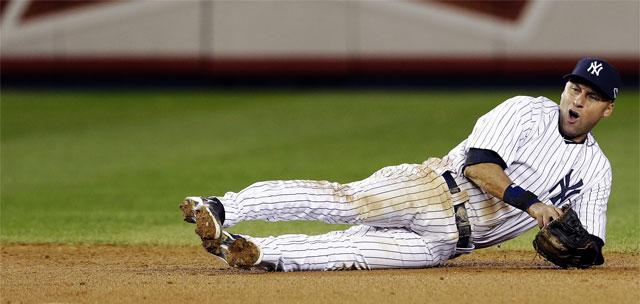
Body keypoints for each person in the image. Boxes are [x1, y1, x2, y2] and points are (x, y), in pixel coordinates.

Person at [180, 57, 621, 272]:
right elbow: (479, 167)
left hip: (446, 246)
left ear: (607, 110)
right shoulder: (526, 111)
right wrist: (532, 206)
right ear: (564, 88)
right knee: (346, 203)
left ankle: (255, 252)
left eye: (592, 96)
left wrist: (581, 252)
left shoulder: (597, 170)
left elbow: (593, 242)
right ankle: (221, 208)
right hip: (431, 190)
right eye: (574, 88)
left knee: (350, 254)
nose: (578, 100)